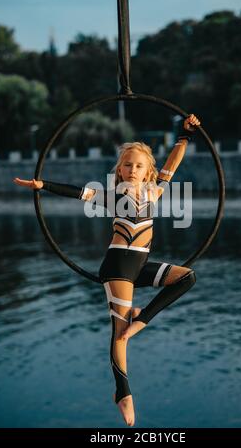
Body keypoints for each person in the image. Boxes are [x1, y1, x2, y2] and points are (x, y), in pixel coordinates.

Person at [13, 114, 200, 427]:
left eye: (139, 165)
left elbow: (173, 162)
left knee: (187, 277)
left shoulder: (156, 191)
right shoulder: (114, 196)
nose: (132, 169)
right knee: (119, 334)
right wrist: (43, 185)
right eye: (127, 164)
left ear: (147, 171)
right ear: (120, 169)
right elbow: (79, 192)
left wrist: (185, 133)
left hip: (140, 263)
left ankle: (140, 320)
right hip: (117, 266)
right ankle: (123, 392)